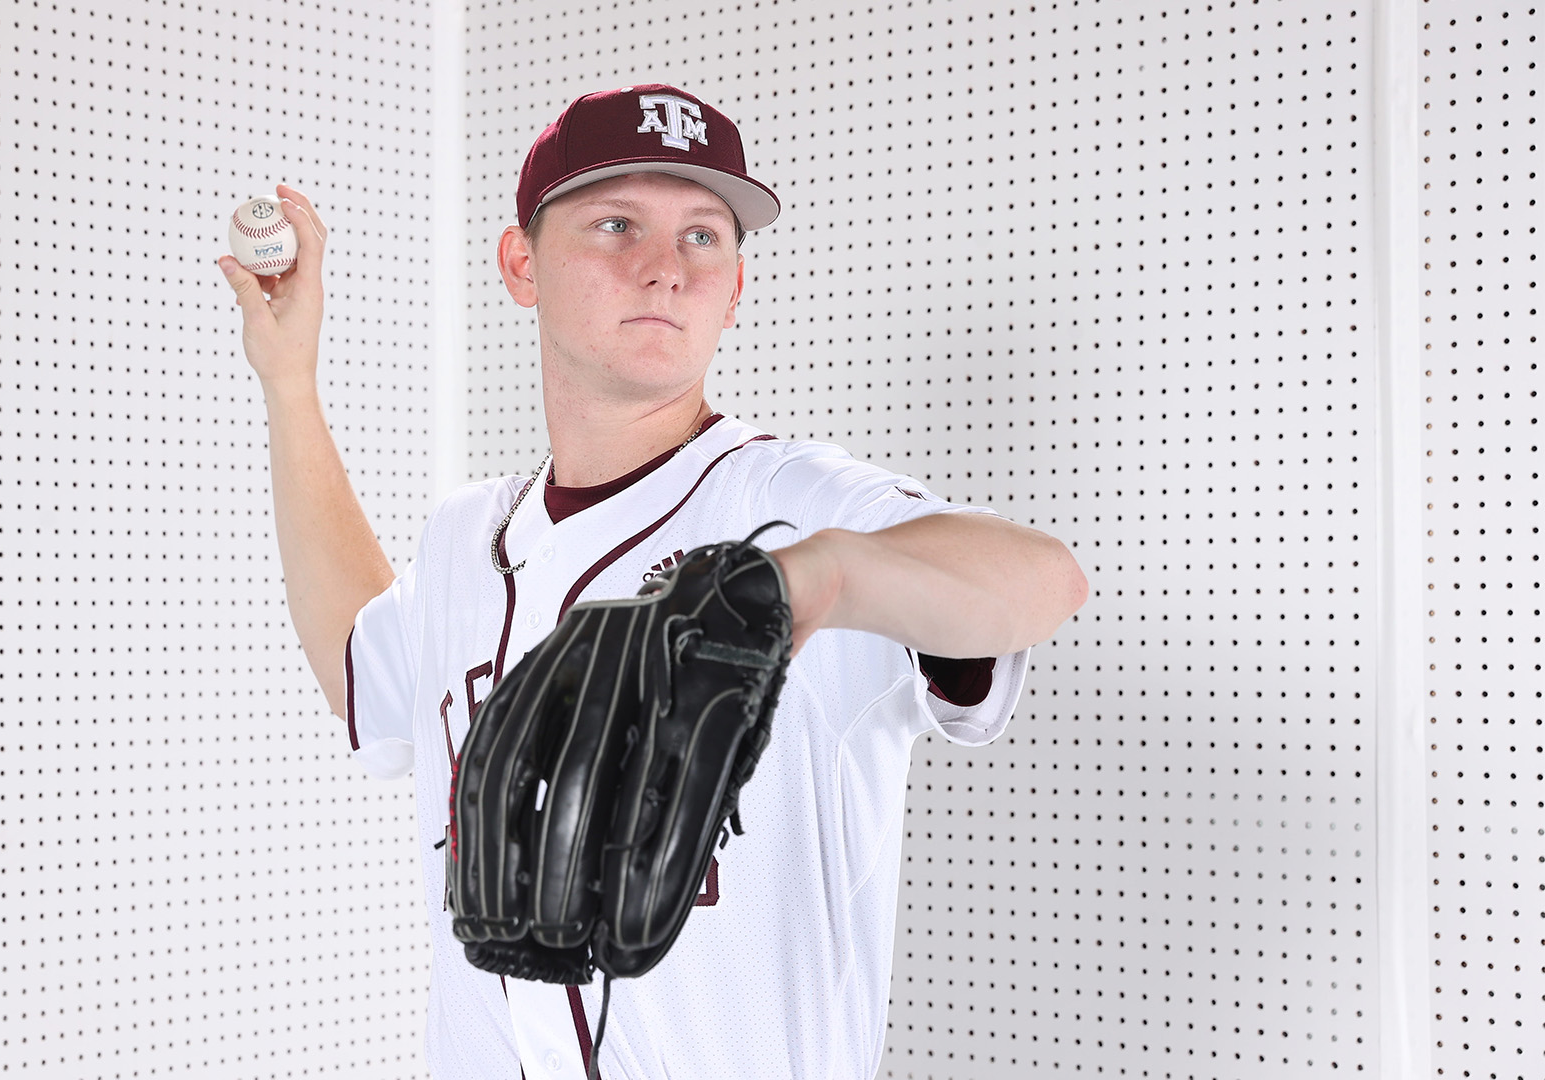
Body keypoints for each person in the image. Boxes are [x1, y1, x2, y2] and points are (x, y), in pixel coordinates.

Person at [216, 83, 1087, 1080]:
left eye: (702, 236)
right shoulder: (468, 534)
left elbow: (1040, 580)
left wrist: (819, 578)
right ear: (521, 264)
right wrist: (289, 382)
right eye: (617, 223)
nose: (666, 267)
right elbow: (359, 667)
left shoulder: (793, 501)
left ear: (736, 288)